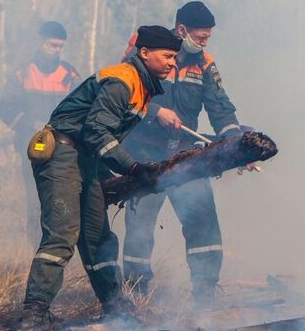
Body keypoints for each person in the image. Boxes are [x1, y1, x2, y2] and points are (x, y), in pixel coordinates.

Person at [16, 25, 182, 330]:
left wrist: (114, 169)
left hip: (85, 159)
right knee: (63, 234)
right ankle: (34, 311)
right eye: (168, 56)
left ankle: (114, 305)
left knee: (97, 237)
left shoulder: (142, 86)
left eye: (175, 57)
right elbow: (95, 131)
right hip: (61, 155)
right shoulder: (122, 81)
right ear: (144, 53)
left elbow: (100, 137)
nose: (173, 63)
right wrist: (132, 168)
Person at [120, 1, 247, 307]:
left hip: (186, 157)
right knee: (140, 225)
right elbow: (122, 95)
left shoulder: (204, 63)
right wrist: (155, 111)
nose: (204, 43)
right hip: (145, 156)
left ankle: (205, 292)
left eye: (207, 38)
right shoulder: (148, 50)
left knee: (202, 219)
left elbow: (220, 107)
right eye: (200, 37)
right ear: (181, 30)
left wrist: (236, 144)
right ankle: (137, 291)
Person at [0, 21, 81, 247]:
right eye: (53, 45)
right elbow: (6, 108)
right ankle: (35, 248)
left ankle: (60, 245)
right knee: (35, 199)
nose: (56, 50)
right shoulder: (23, 73)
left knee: (62, 199)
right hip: (33, 148)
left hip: (64, 148)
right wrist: (30, 124)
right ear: (41, 41)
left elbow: (82, 108)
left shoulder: (70, 74)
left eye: (60, 47)